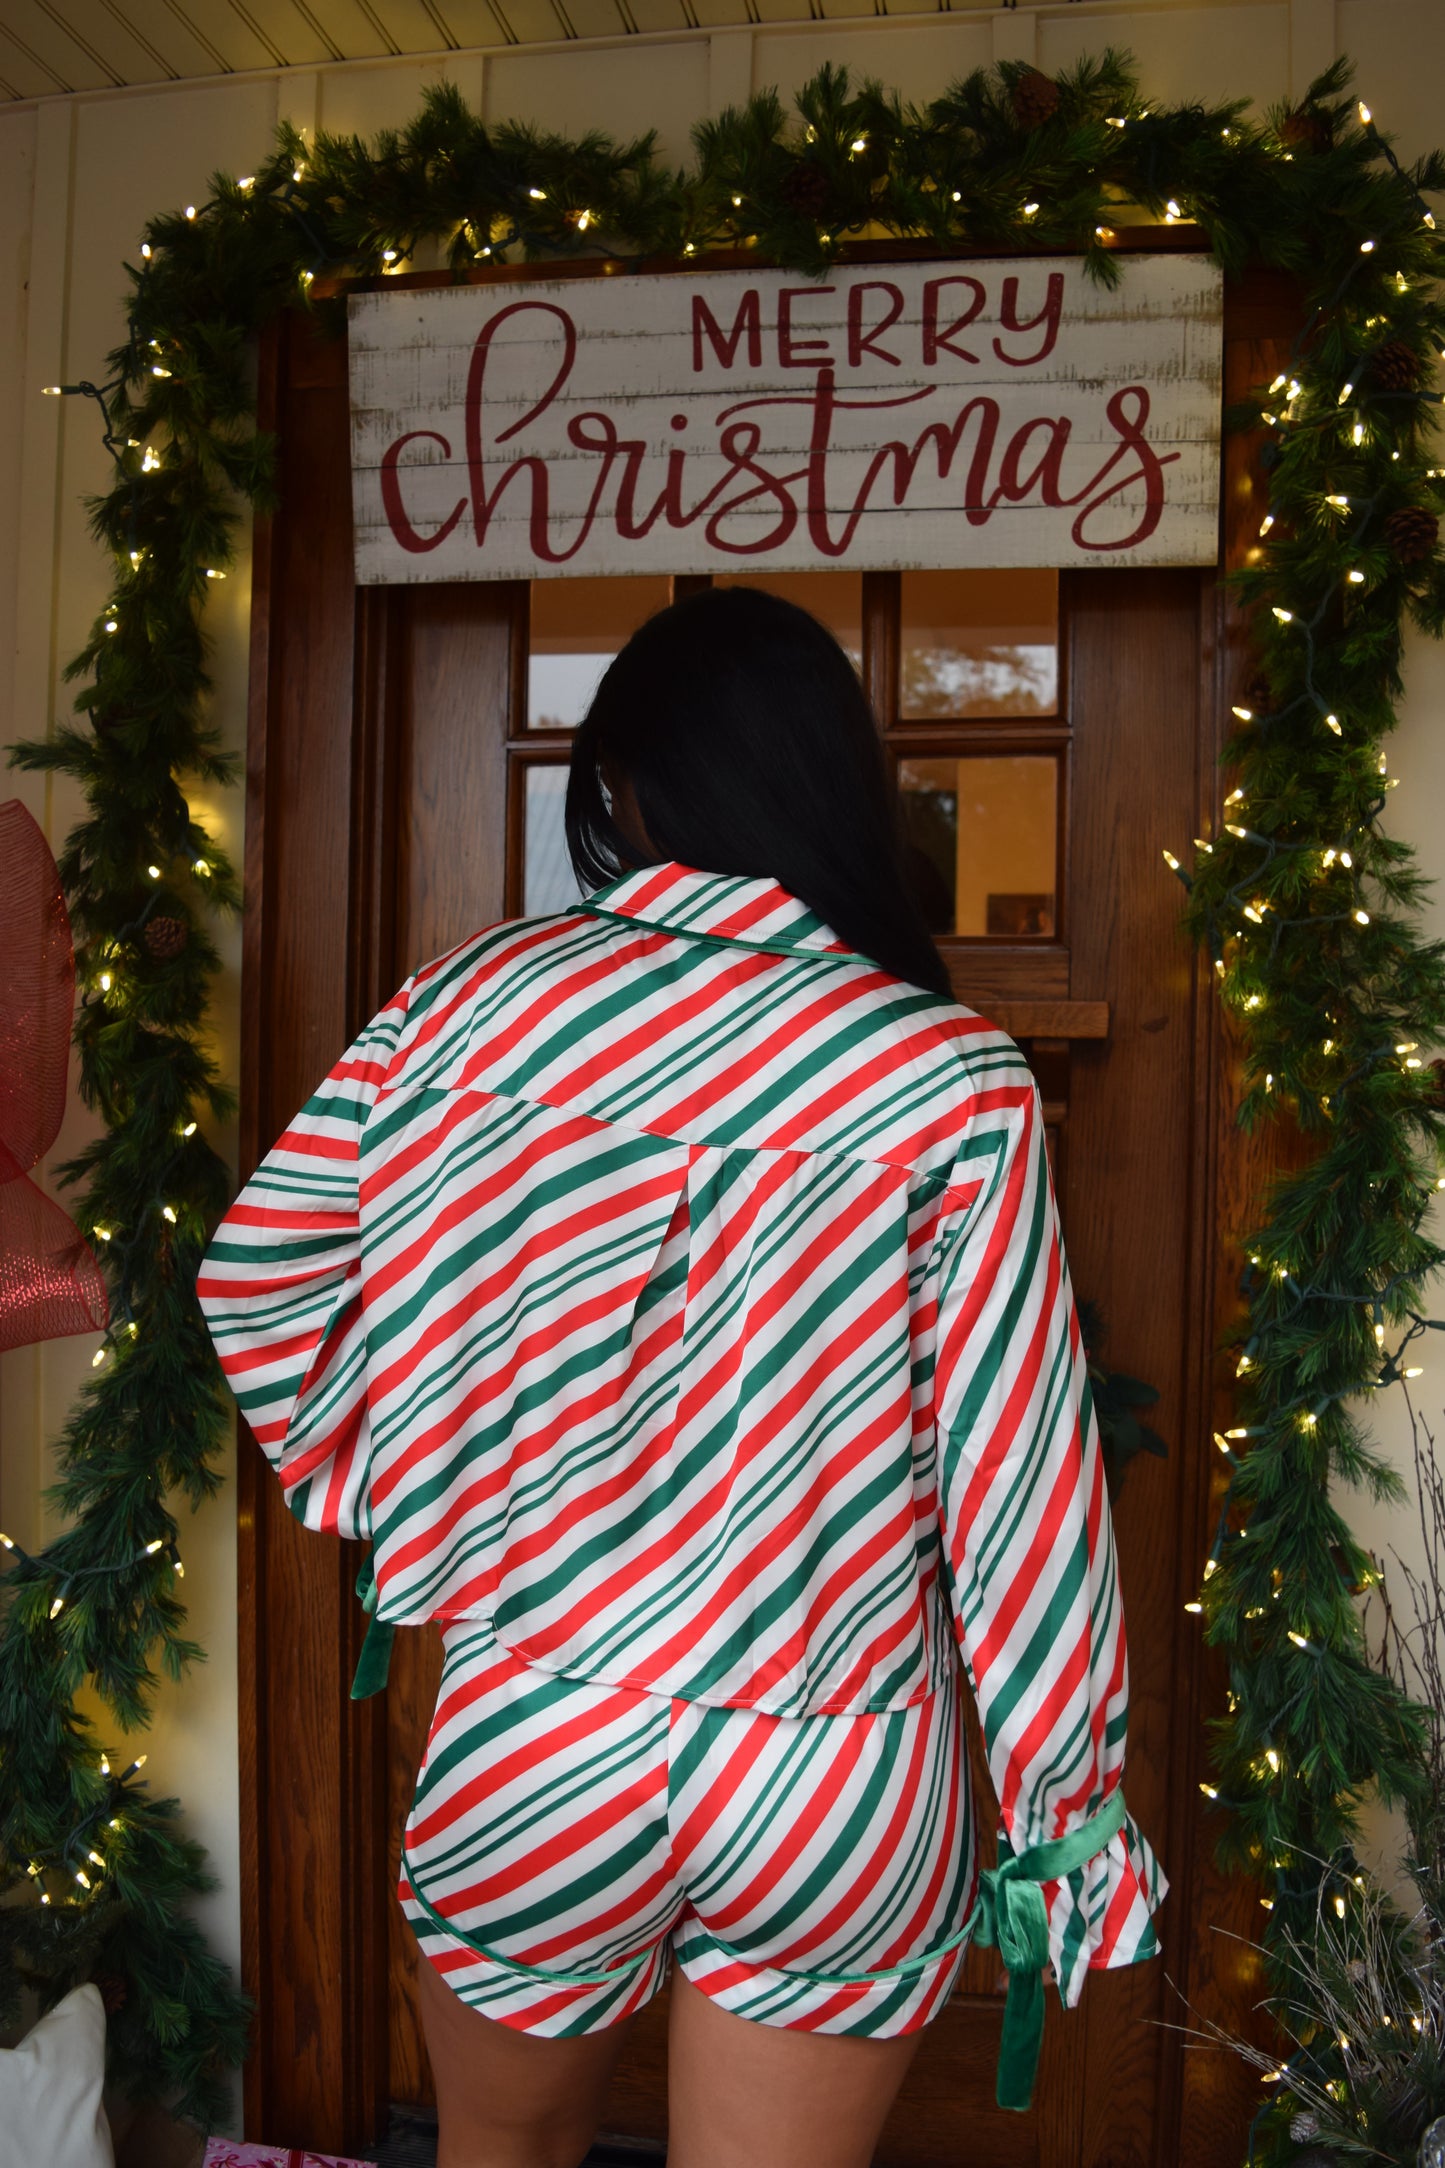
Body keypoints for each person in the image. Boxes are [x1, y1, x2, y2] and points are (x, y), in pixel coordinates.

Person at [197, 585, 1164, 2168]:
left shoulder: (460, 1014)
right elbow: (1019, 1496)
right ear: (826, 789)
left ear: (625, 791)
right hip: (840, 1759)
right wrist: (1063, 1814)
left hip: (540, 1724)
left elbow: (266, 1279)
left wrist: (415, 1499)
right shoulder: (946, 1077)